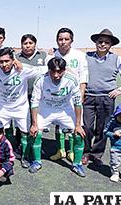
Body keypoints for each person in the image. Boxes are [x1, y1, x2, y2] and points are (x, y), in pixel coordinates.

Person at [83, 29, 121, 166]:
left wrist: (120, 89)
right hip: (87, 97)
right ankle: (85, 152)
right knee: (87, 127)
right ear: (95, 43)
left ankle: (96, 154)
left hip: (106, 98)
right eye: (100, 41)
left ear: (111, 45)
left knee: (103, 128)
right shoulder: (86, 57)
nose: (102, 44)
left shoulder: (117, 59)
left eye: (106, 42)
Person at [29, 57, 86, 177]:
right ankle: (36, 161)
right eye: (53, 71)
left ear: (64, 70)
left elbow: (77, 102)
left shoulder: (72, 79)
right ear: (48, 70)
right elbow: (34, 102)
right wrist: (34, 124)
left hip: (65, 109)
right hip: (46, 109)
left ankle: (77, 164)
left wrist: (78, 124)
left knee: (79, 133)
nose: (56, 75)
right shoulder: (40, 79)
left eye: (59, 71)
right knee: (35, 132)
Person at [0, 47, 46, 168]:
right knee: (0, 133)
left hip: (21, 108)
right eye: (1, 62)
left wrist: (67, 70)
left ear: (13, 60)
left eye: (7, 61)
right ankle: (5, 156)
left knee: (25, 133)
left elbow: (43, 69)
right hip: (3, 108)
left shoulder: (23, 69)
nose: (4, 64)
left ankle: (25, 157)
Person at [48, 28, 89, 162]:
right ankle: (60, 150)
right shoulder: (51, 55)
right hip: (57, 96)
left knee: (73, 124)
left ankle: (71, 151)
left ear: (72, 40)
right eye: (60, 39)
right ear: (57, 40)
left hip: (73, 96)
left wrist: (81, 95)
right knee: (58, 123)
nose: (63, 42)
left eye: (66, 39)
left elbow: (83, 77)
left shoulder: (80, 55)